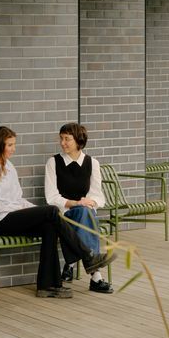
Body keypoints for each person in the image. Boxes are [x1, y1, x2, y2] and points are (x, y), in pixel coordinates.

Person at [0, 126, 112, 299]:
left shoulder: (9, 166)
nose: (13, 149)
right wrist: (25, 210)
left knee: (49, 226)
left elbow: (19, 199)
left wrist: (31, 209)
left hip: (11, 217)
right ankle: (88, 256)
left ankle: (48, 286)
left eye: (14, 145)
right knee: (51, 211)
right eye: (10, 145)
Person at [44, 123, 113, 294]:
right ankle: (96, 276)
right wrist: (75, 203)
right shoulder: (53, 162)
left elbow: (98, 197)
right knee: (84, 213)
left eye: (67, 139)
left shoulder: (92, 163)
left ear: (78, 141)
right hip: (64, 213)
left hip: (85, 212)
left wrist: (87, 201)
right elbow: (51, 197)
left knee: (85, 212)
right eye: (61, 139)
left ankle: (70, 263)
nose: (62, 143)